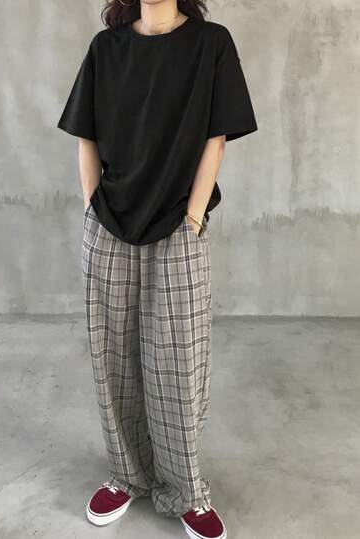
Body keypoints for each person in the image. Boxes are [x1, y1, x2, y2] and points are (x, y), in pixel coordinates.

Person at [57, 0, 257, 537]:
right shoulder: (107, 48)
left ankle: (186, 490)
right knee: (113, 355)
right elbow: (86, 133)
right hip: (109, 223)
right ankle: (126, 475)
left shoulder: (210, 44)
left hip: (177, 224)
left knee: (178, 361)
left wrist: (193, 217)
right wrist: (92, 205)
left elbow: (216, 137)